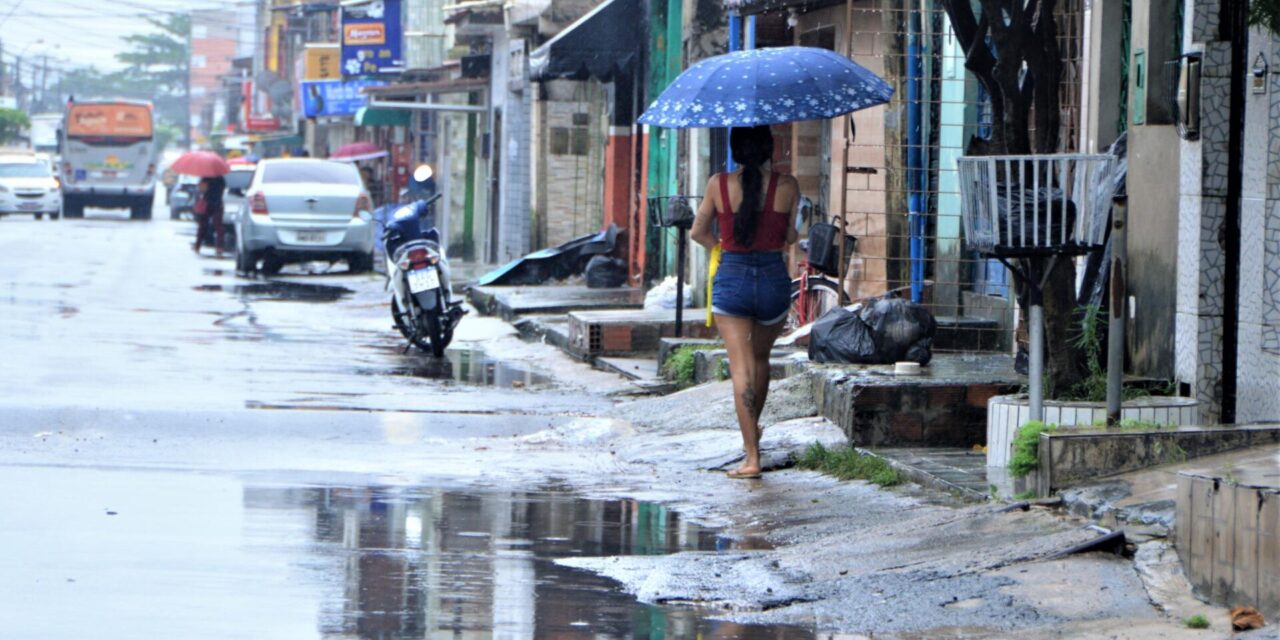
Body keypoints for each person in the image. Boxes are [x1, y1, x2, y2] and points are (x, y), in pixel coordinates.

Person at [691, 125, 800, 480]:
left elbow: (698, 232)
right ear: (769, 148)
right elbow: (789, 237)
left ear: (736, 150)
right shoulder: (788, 185)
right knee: (761, 359)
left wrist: (721, 248)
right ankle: (754, 434)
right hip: (772, 279)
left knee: (740, 369)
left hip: (733, 278)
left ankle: (752, 455)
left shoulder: (717, 184)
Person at [192, 174, 227, 257]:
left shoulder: (205, 177)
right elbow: (222, 189)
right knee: (218, 226)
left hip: (207, 204)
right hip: (218, 204)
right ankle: (219, 247)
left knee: (203, 226)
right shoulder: (221, 178)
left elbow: (201, 190)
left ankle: (198, 245)